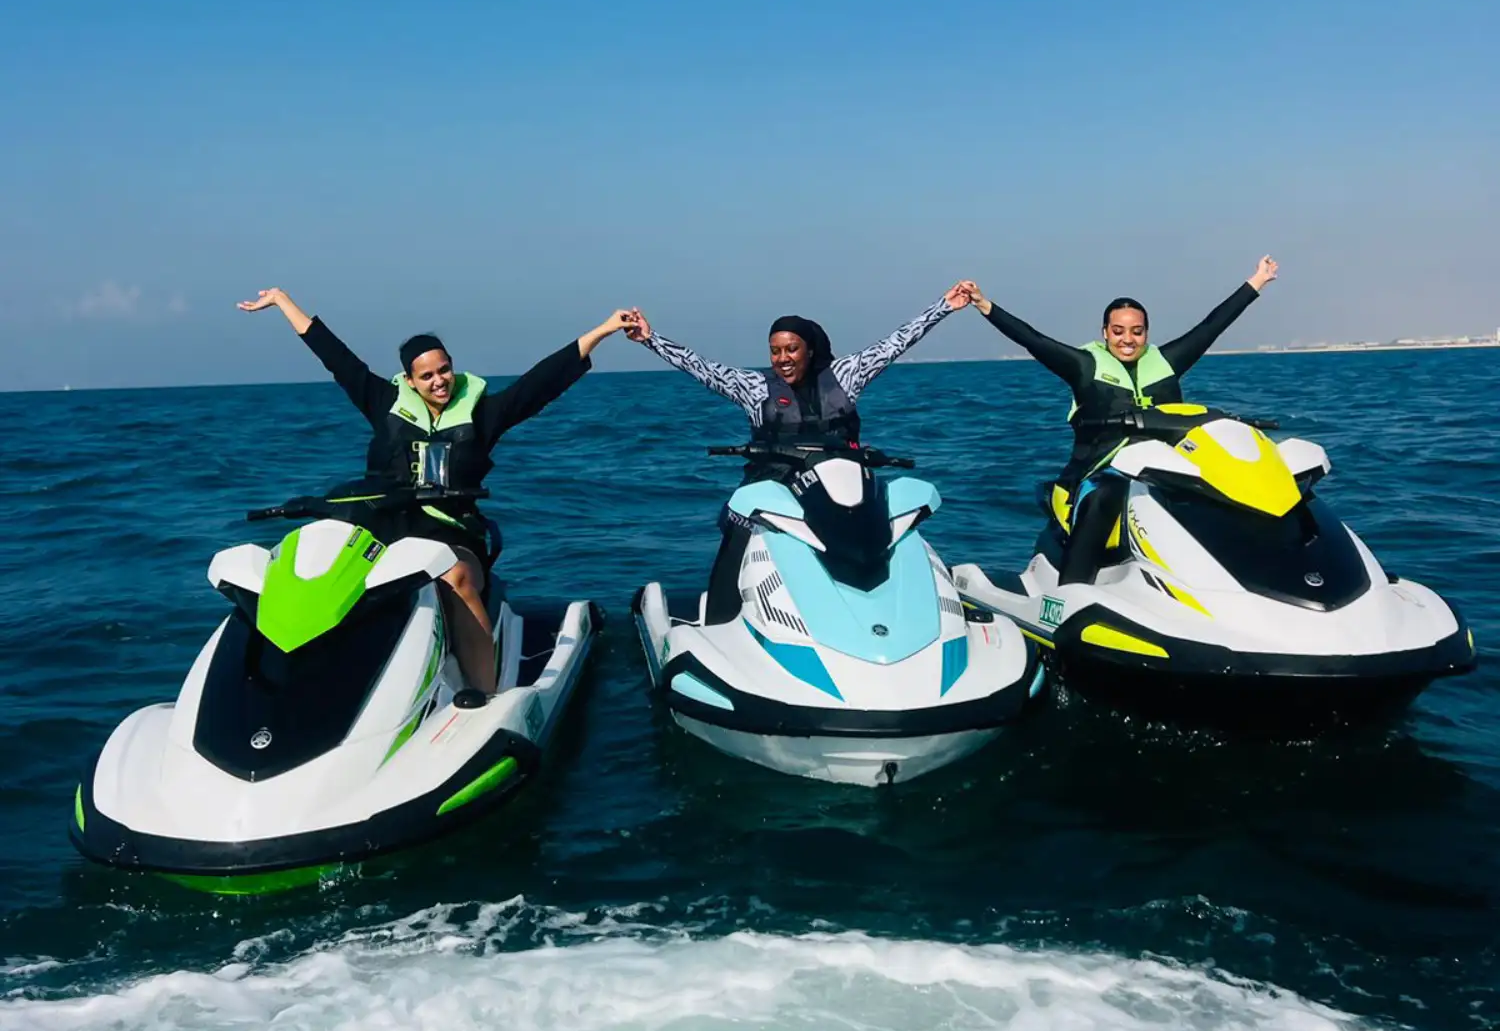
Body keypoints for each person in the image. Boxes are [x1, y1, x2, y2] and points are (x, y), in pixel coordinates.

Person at [238, 287, 630, 696]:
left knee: (455, 576)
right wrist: (283, 301)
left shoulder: (482, 414)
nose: (439, 381)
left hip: (453, 531)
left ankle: (486, 691)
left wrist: (603, 329)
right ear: (410, 380)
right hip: (385, 524)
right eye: (426, 376)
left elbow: (540, 383)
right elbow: (336, 357)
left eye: (444, 370)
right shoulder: (383, 401)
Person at [621, 285, 972, 620]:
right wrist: (650, 339)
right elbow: (700, 367)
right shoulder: (755, 387)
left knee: (889, 517)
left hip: (841, 484)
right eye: (775, 351)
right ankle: (721, 617)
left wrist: (944, 307)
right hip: (774, 485)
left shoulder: (845, 375)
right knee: (740, 520)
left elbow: (894, 344)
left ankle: (907, 604)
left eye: (791, 349)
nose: (782, 359)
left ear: (809, 350)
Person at [960, 258, 1279, 585]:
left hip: (1166, 470)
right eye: (1118, 331)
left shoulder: (1166, 362)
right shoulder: (1084, 365)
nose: (1128, 339)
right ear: (1105, 333)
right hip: (1100, 471)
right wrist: (985, 305)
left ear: (1146, 334)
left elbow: (1212, 325)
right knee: (1106, 494)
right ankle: (1071, 593)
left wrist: (1257, 280)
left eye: (1136, 331)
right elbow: (1033, 339)